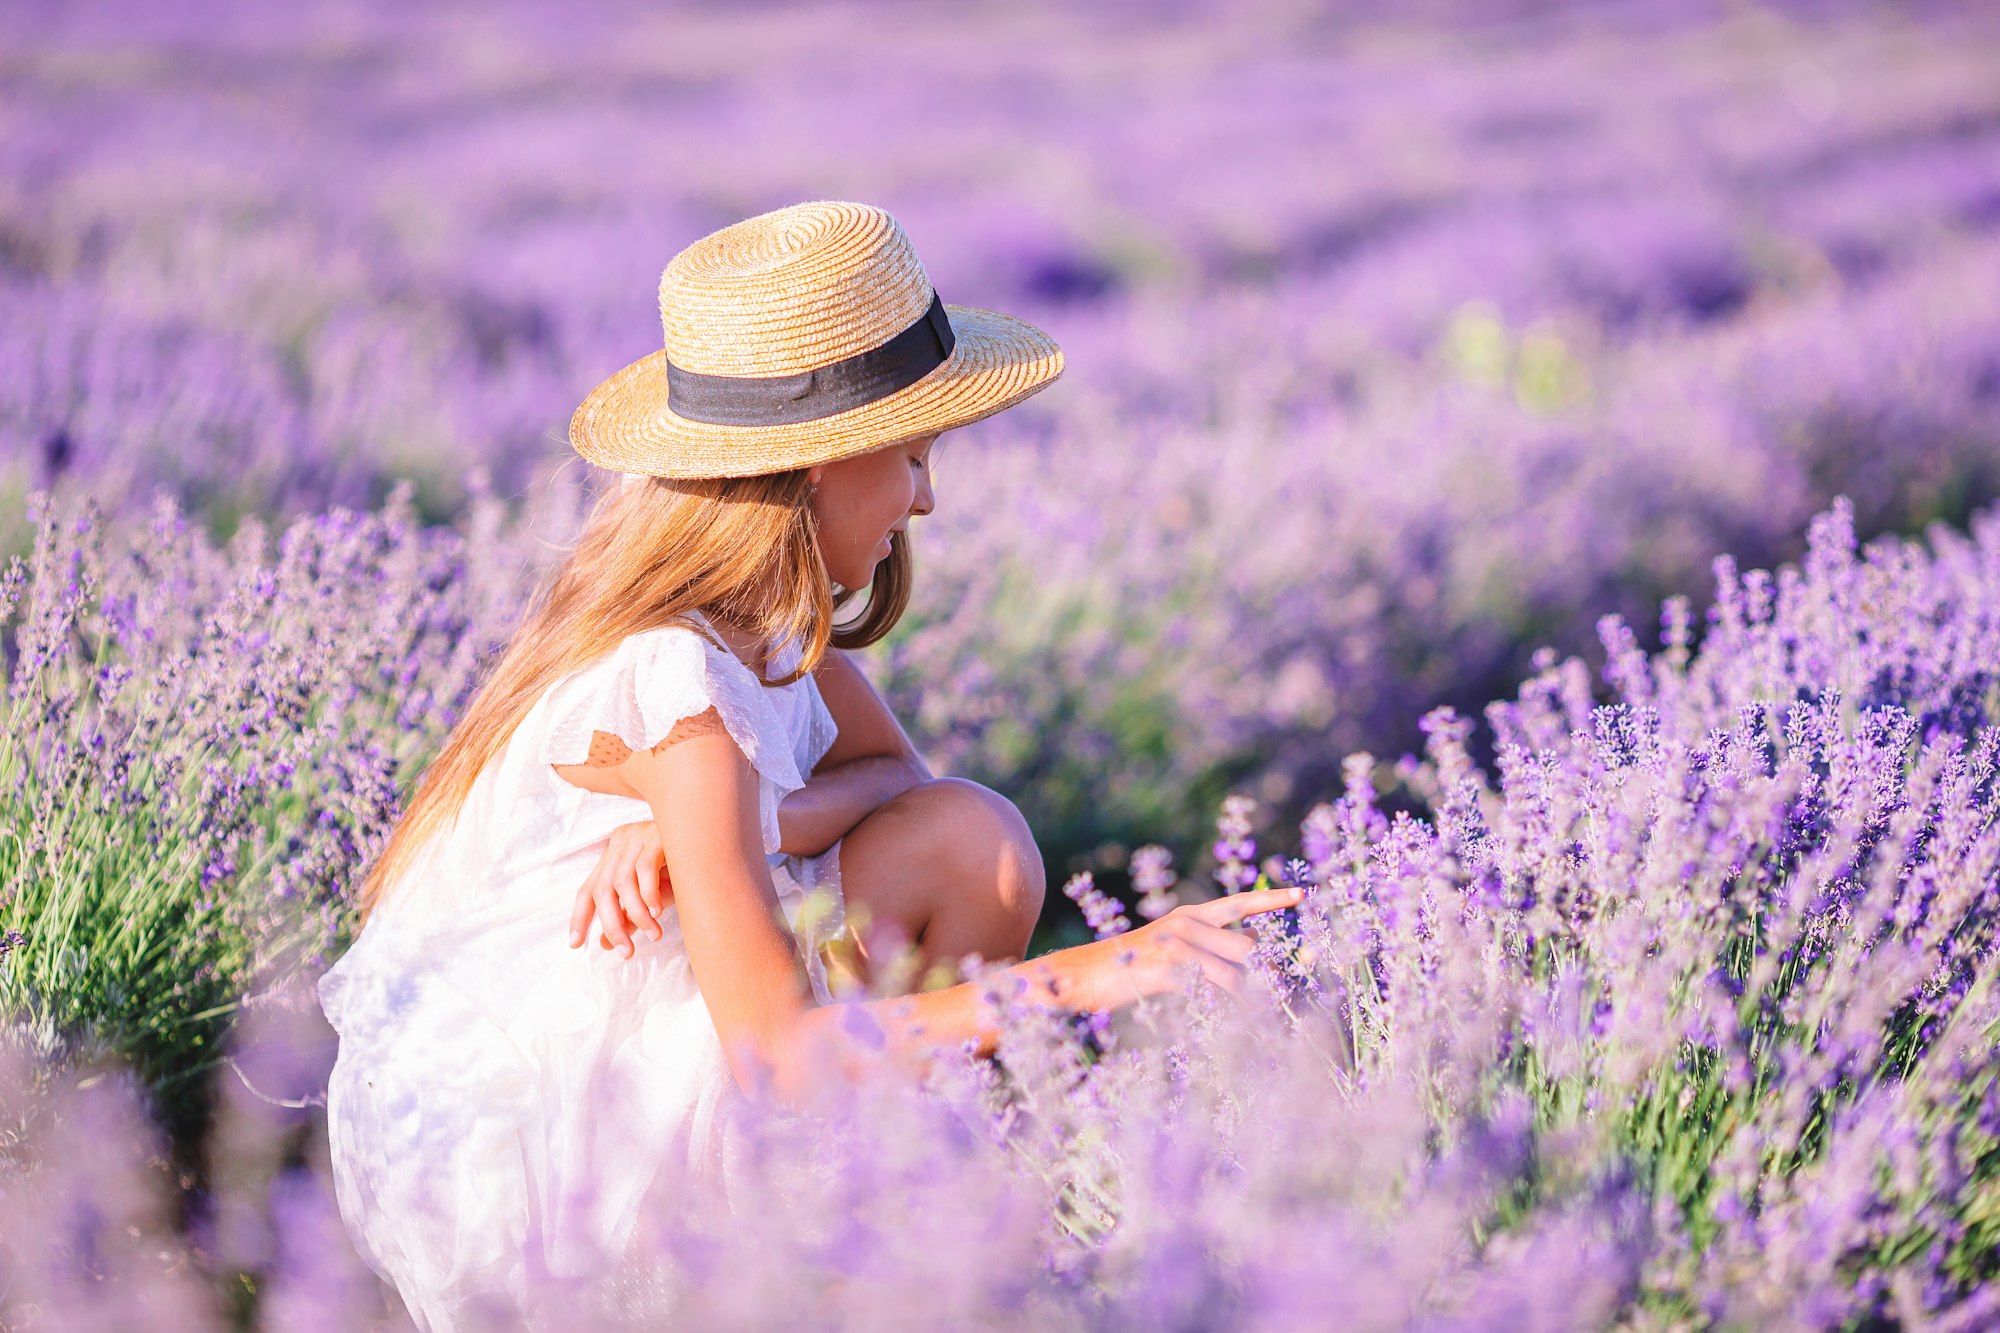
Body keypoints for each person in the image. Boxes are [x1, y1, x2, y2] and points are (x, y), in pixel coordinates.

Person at [314, 199, 1302, 1331]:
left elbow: (906, 783)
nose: (927, 496)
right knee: (941, 915)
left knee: (972, 838)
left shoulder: (764, 627)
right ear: (818, 466)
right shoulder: (676, 680)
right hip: (574, 1144)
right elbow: (776, 1054)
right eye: (915, 456)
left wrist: (737, 828)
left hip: (683, 1016)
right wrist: (1100, 971)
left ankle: (884, 1225)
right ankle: (857, 1252)